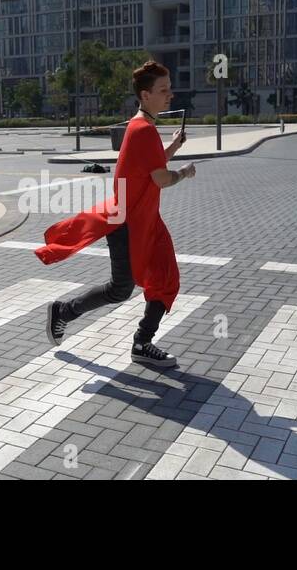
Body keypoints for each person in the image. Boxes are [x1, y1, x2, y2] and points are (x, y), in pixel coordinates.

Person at [35, 61, 196, 368]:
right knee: (121, 289)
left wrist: (174, 144)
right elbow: (161, 178)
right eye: (164, 90)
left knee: (166, 279)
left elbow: (153, 166)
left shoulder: (141, 128)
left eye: (170, 89)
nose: (170, 95)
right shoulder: (142, 130)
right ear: (145, 95)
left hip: (147, 220)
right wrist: (185, 173)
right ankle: (63, 311)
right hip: (127, 224)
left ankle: (142, 342)